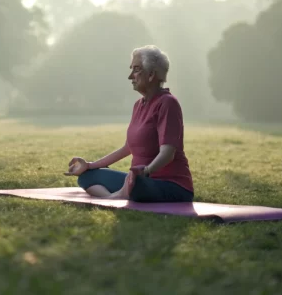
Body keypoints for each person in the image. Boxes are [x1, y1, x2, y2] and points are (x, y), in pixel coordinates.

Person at [65, 45, 194, 202]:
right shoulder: (138, 105)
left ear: (151, 74)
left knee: (136, 185)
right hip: (139, 180)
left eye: (136, 69)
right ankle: (115, 197)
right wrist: (90, 166)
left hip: (171, 185)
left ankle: (122, 193)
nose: (130, 76)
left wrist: (146, 171)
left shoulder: (168, 103)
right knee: (87, 177)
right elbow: (127, 148)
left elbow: (167, 153)